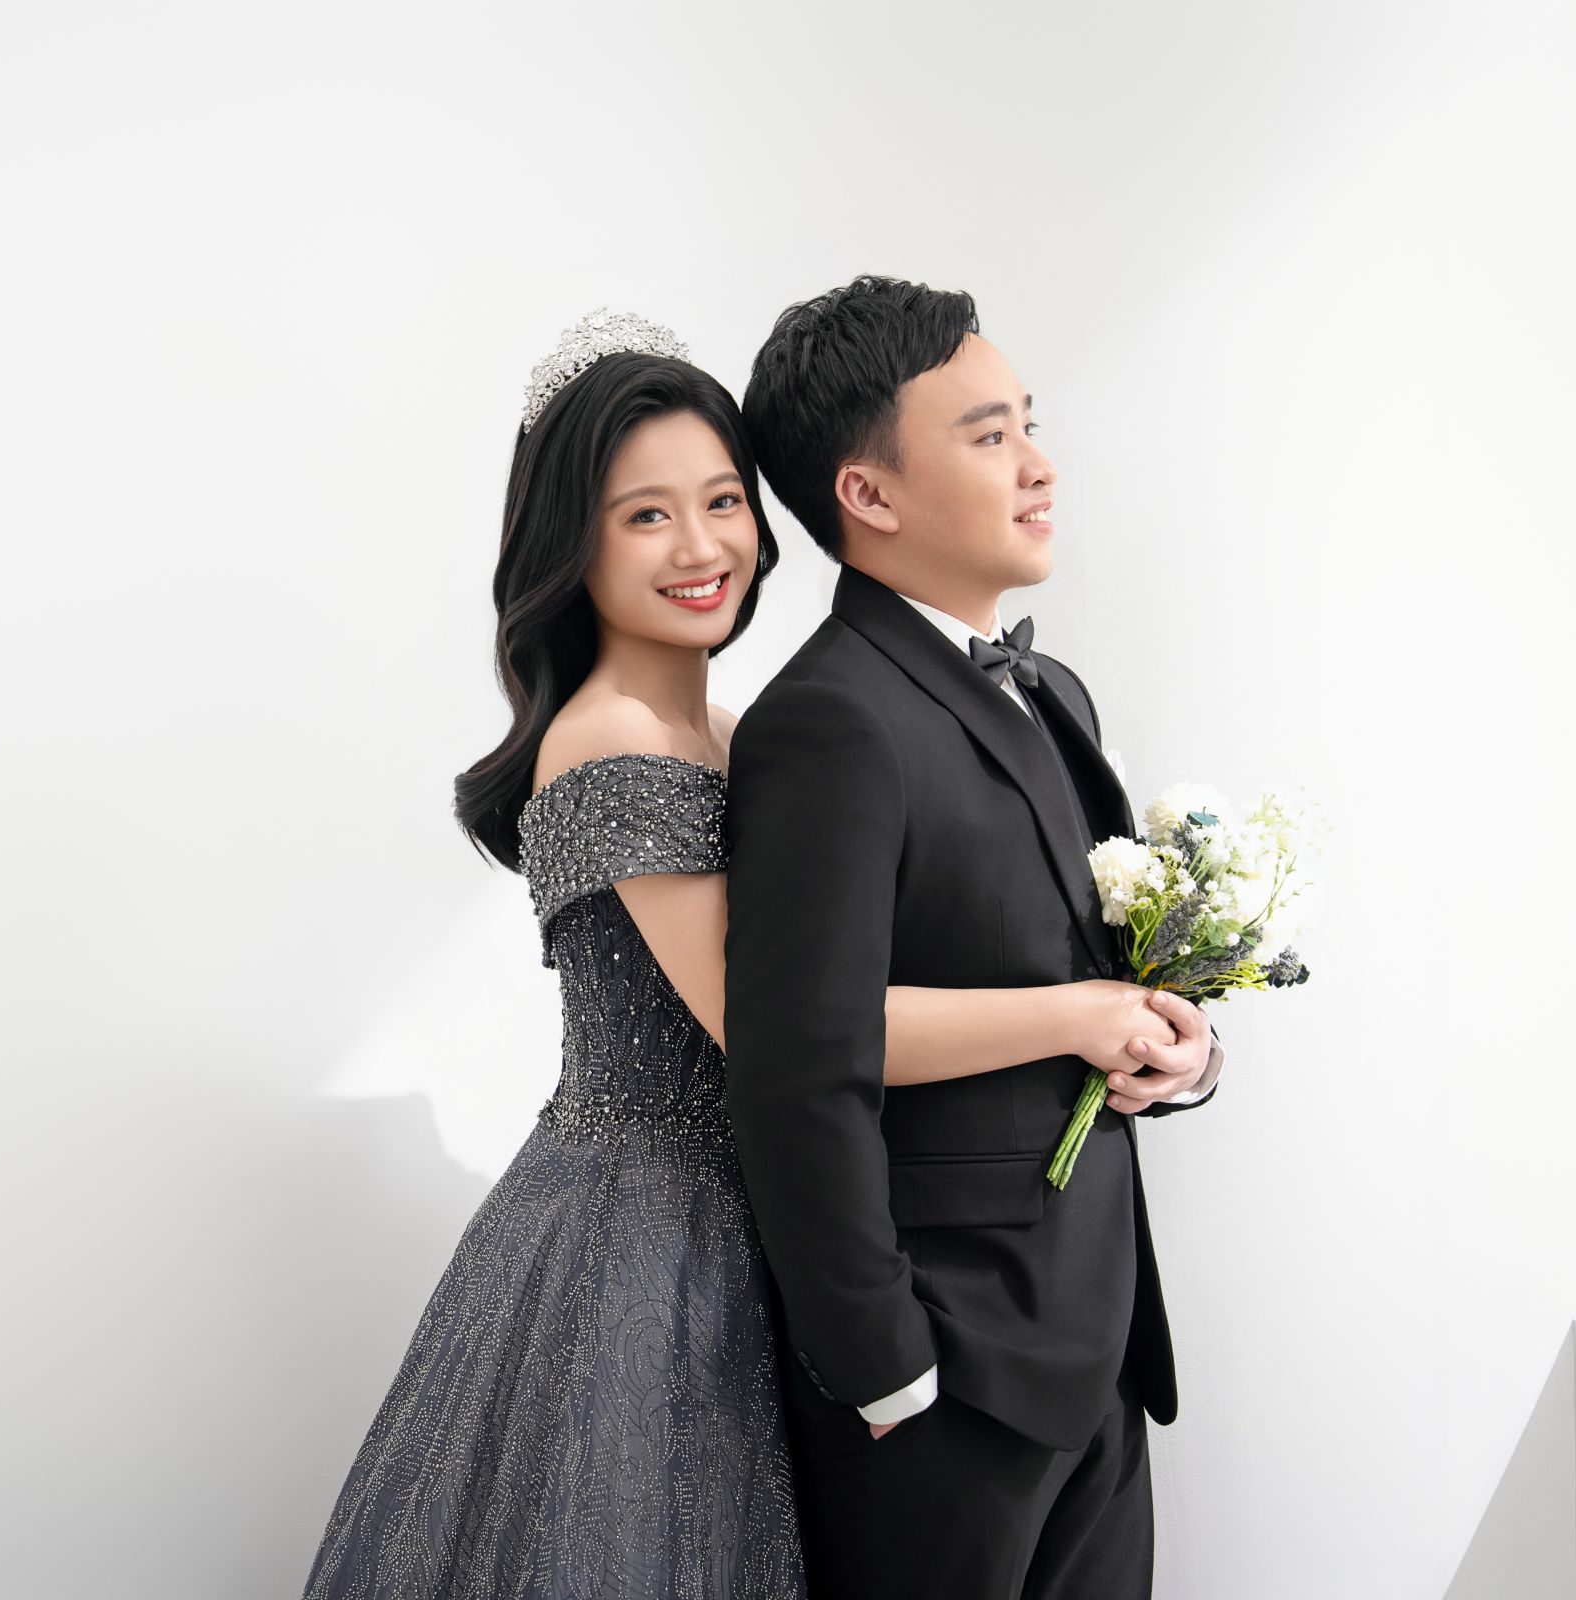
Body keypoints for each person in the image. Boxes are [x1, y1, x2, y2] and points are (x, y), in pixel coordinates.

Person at [300, 307, 1211, 1599]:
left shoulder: (738, 731)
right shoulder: (612, 740)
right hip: (651, 1231)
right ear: (573, 545)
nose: (702, 546)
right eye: (646, 516)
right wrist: (1078, 1014)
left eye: (722, 502)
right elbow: (779, 1028)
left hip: (790, 1221)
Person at [721, 273, 1228, 1599]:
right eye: (990, 435)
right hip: (944, 1377)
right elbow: (796, 1069)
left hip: (1102, 1345)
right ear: (869, 494)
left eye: (1029, 426)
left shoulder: (1054, 692)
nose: (1039, 466)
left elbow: (1094, 971)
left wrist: (1179, 1052)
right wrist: (884, 1369)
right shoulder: (827, 720)